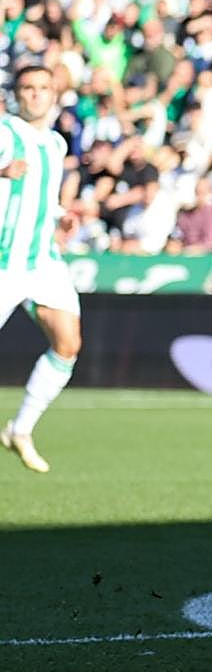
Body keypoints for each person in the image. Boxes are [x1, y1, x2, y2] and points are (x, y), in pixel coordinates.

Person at [0, 65, 81, 474]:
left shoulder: (54, 144)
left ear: (54, 95)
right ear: (16, 94)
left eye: (43, 88)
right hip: (3, 261)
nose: (35, 95)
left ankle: (20, 428)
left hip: (42, 260)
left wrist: (61, 217)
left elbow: (42, 197)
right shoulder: (4, 133)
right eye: (28, 88)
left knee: (68, 343)